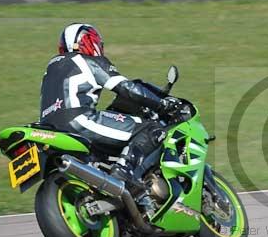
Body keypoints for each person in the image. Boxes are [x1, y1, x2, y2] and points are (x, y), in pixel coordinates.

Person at [39, 23, 181, 192]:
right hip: (79, 119)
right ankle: (123, 173)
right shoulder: (88, 61)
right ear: (87, 41)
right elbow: (126, 88)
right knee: (151, 129)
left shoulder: (50, 69)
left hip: (49, 126)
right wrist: (162, 103)